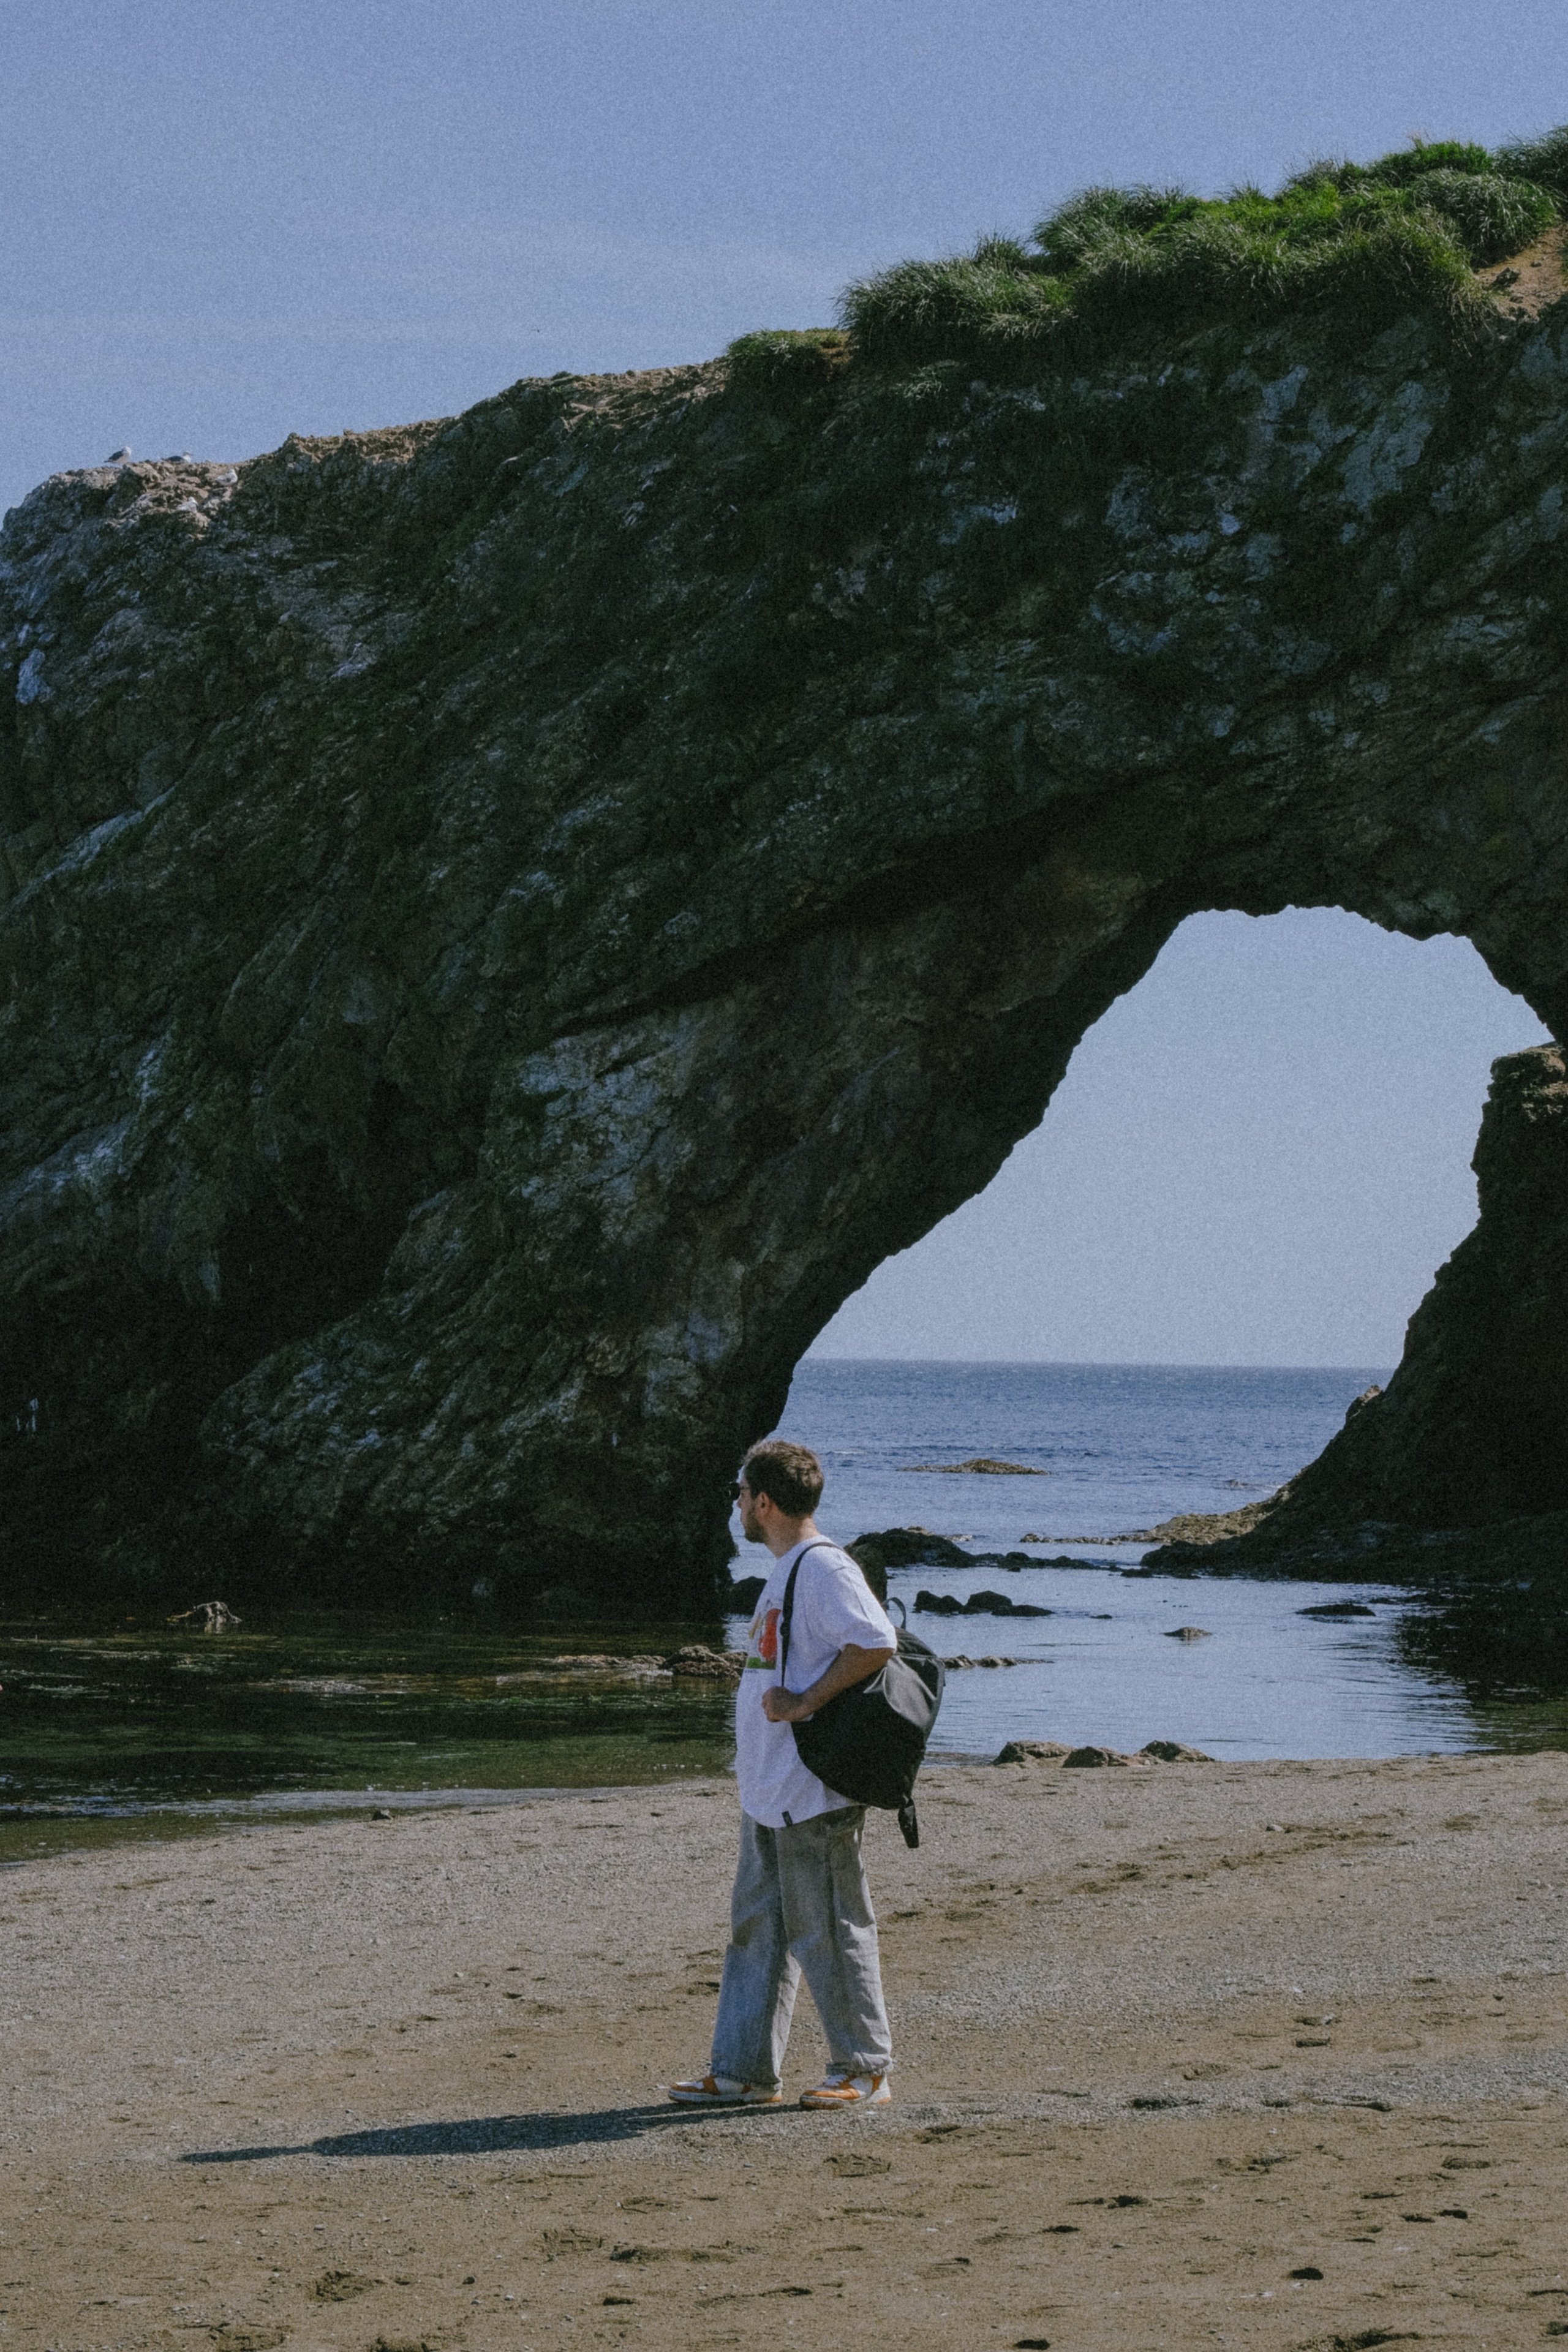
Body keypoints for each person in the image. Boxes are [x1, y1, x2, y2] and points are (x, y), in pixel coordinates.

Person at [670, 1438, 899, 2110]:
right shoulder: (789, 1567)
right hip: (771, 1788)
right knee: (758, 1930)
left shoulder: (823, 1568)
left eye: (741, 1494)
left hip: (812, 1787)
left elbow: (875, 1641)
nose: (737, 1506)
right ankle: (742, 2071)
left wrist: (803, 1703)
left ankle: (865, 2070)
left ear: (763, 1501)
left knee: (828, 1926)